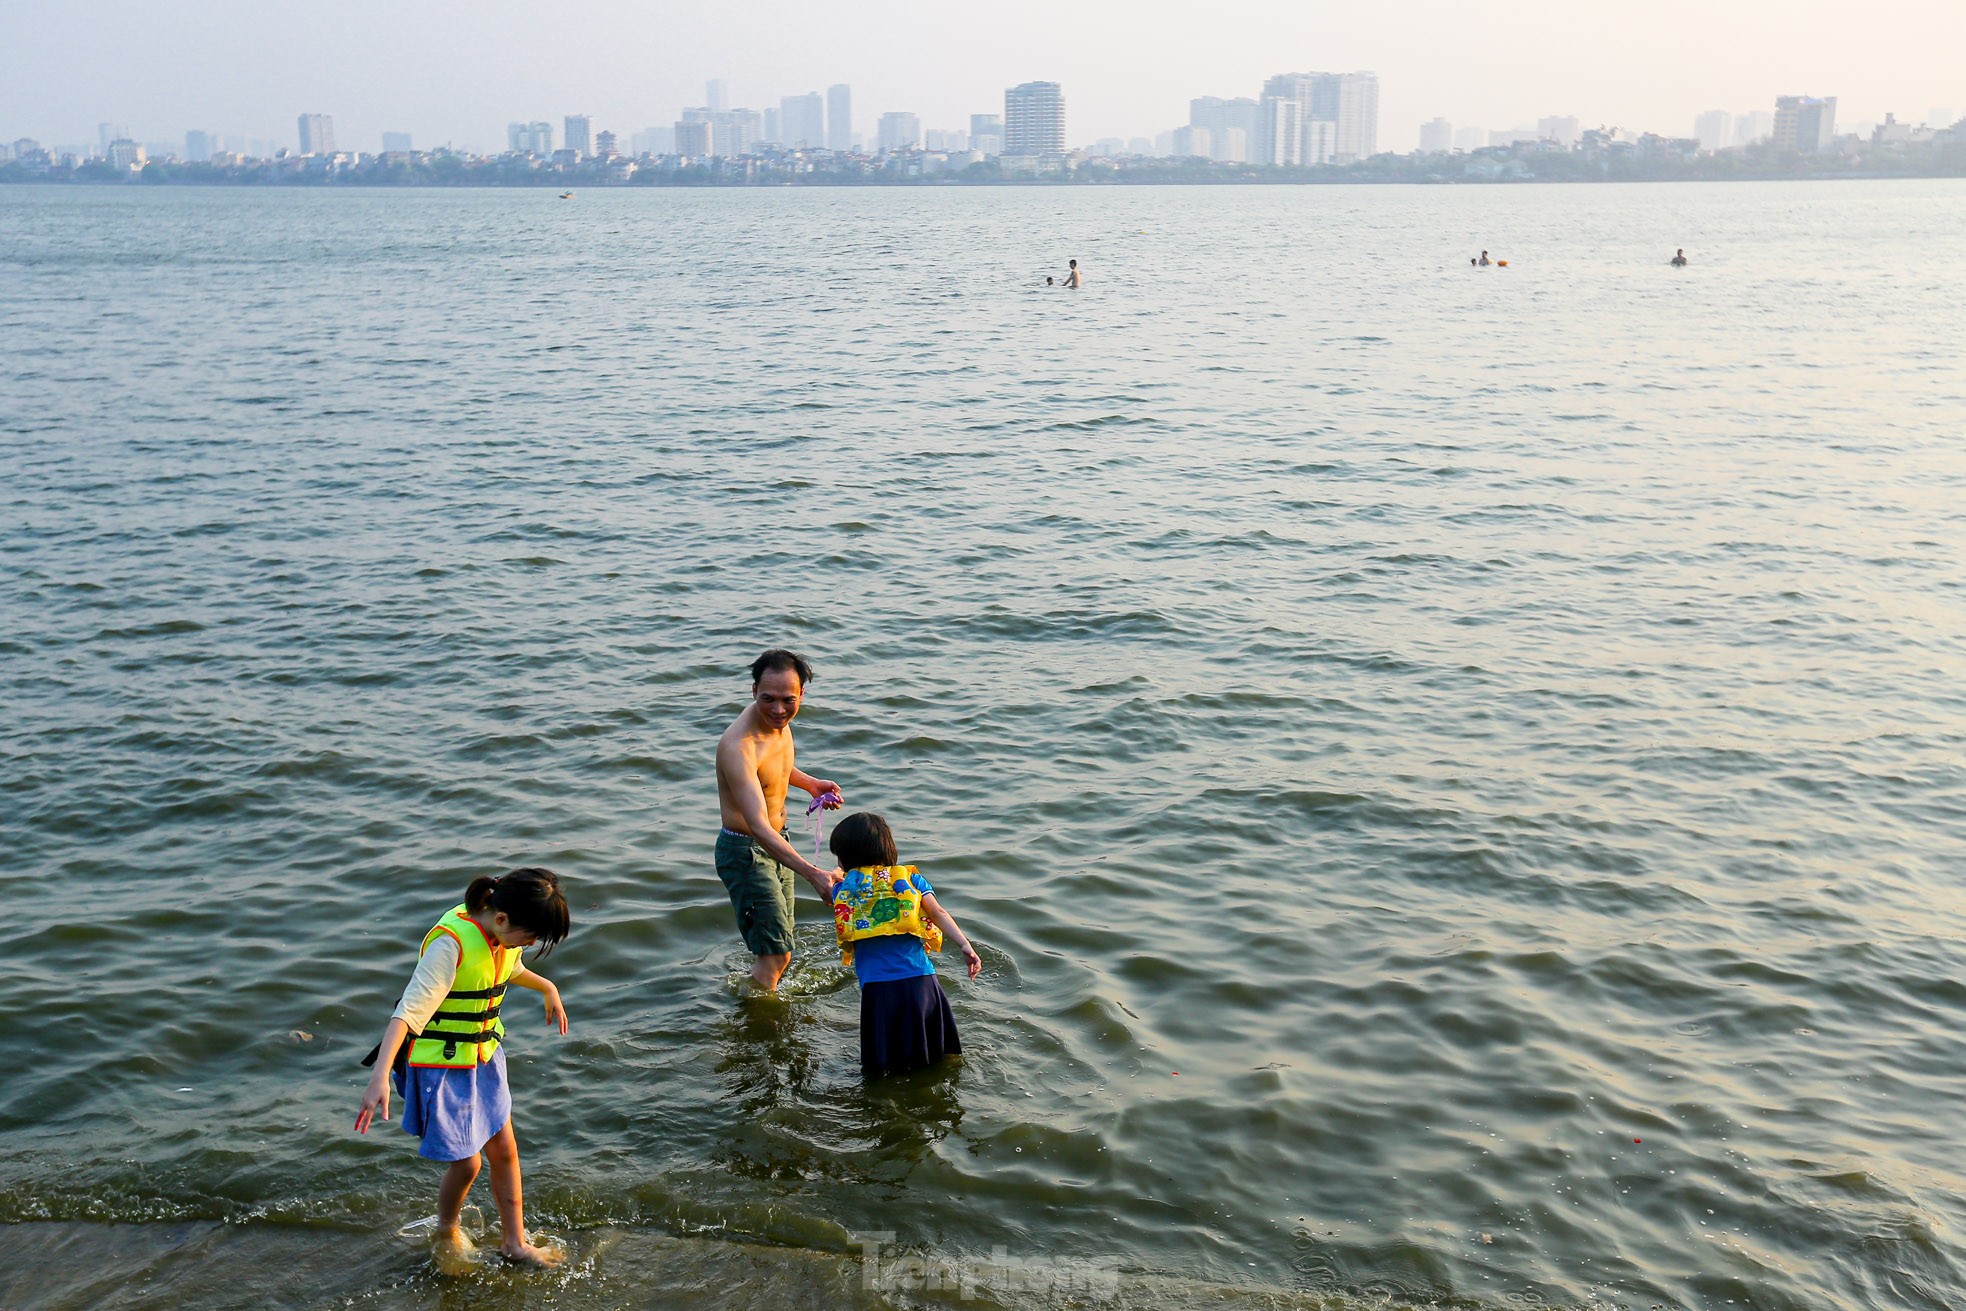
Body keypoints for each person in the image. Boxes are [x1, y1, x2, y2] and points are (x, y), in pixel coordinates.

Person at [355, 867, 571, 1270]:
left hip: (483, 1057)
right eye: (531, 936)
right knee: (468, 1161)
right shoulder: (450, 946)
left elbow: (510, 968)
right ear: (502, 919)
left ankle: (514, 1243)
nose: (531, 943)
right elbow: (408, 1013)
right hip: (442, 1065)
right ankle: (446, 1229)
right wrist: (379, 1076)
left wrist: (548, 987)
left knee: (505, 1150)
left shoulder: (501, 932)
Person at [715, 649, 845, 992]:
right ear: (753, 690)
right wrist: (814, 874)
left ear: (802, 693)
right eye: (767, 699)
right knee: (775, 956)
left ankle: (763, 1003)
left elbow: (775, 767)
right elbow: (757, 825)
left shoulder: (777, 723)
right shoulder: (738, 745)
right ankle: (756, 1023)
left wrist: (810, 784)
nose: (777, 709)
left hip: (776, 841)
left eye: (788, 699)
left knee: (781, 947)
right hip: (747, 851)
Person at [829, 811, 980, 1076]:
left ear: (845, 858)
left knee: (885, 1066)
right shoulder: (911, 881)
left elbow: (835, 891)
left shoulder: (843, 891)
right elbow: (938, 914)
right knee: (933, 1055)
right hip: (922, 983)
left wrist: (835, 876)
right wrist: (965, 946)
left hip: (878, 990)